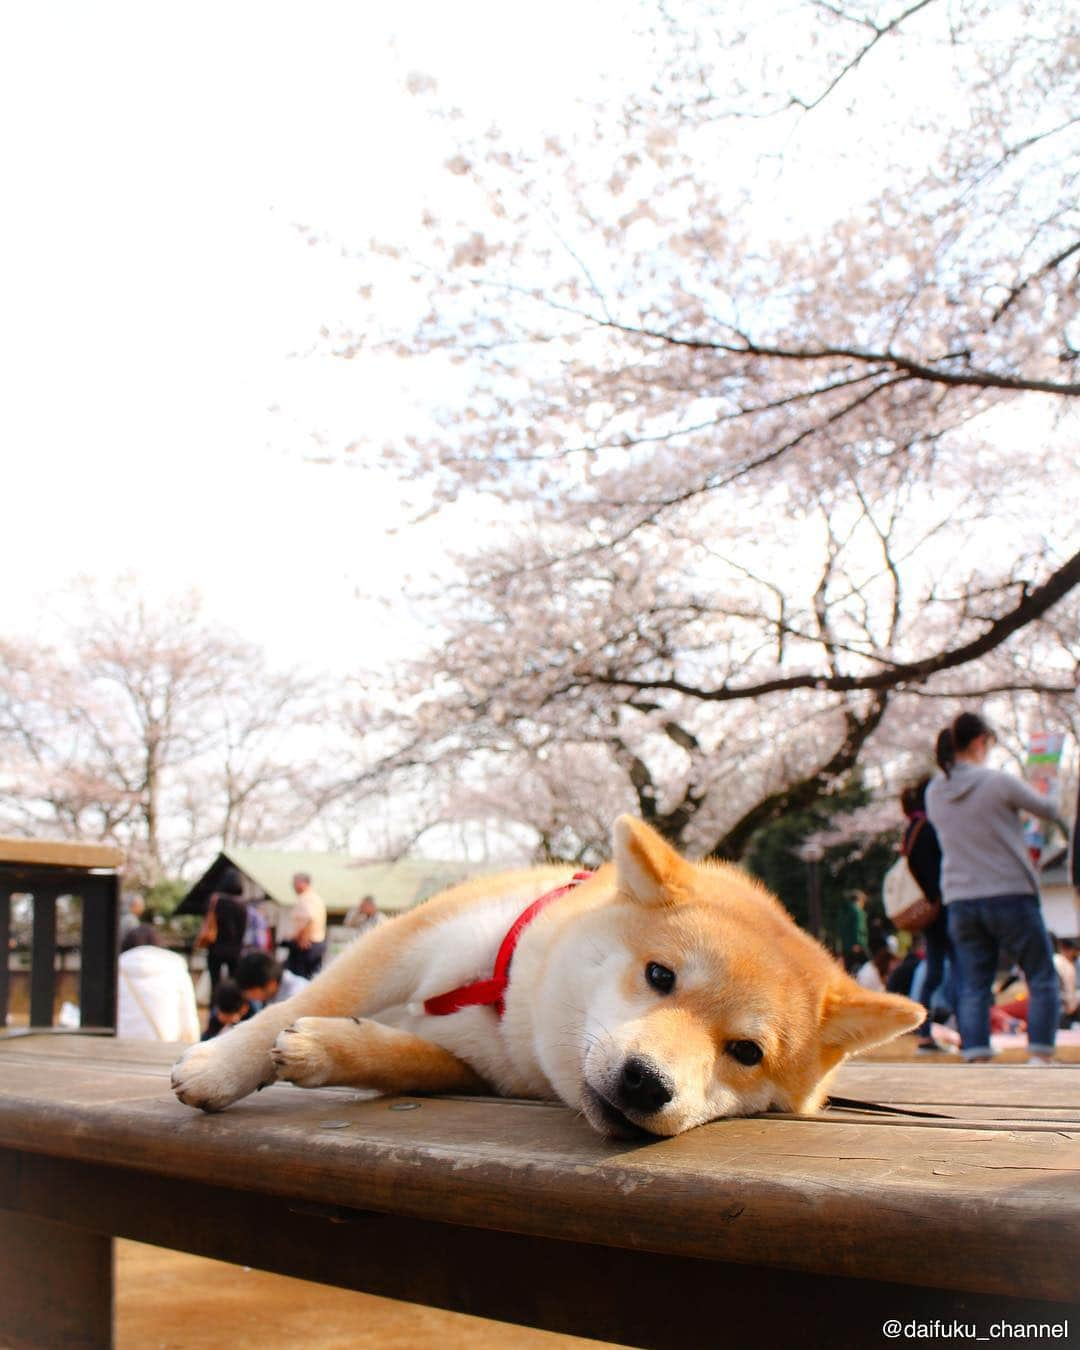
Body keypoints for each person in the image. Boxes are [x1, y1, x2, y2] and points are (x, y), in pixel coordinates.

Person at [925, 711, 1064, 1064]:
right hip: (1010, 892)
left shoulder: (934, 793)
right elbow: (1048, 809)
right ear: (978, 742)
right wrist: (1050, 779)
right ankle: (1039, 1057)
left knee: (973, 984)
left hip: (961, 898)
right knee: (1041, 975)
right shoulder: (997, 782)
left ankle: (976, 1055)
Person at [899, 779, 953, 1054]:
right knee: (963, 971)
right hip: (942, 909)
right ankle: (971, 1036)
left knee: (933, 974)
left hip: (929, 913)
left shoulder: (912, 828)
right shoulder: (929, 827)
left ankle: (924, 1034)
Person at [117, 925, 200, 1043]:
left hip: (119, 1045)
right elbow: (189, 1022)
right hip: (164, 1045)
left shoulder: (116, 970)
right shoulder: (176, 968)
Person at [205, 868, 249, 993]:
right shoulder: (242, 905)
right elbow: (243, 930)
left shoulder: (215, 900)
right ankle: (232, 1007)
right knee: (234, 984)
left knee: (215, 982)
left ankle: (214, 1009)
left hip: (215, 947)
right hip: (235, 949)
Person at [281, 871, 327, 978]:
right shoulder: (314, 898)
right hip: (314, 943)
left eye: (295, 883)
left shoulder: (307, 898)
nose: (293, 886)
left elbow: (310, 918)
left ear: (304, 883)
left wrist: (303, 937)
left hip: (307, 944)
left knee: (299, 978)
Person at [234, 950, 310, 1008]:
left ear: (271, 984)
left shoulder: (295, 996)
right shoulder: (272, 992)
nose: (252, 998)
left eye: (253, 993)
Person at [838, 890, 869, 973]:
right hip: (857, 946)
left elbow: (840, 930)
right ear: (859, 900)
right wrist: (857, 943)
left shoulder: (844, 911)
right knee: (868, 967)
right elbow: (859, 928)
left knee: (848, 971)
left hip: (846, 947)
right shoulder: (857, 912)